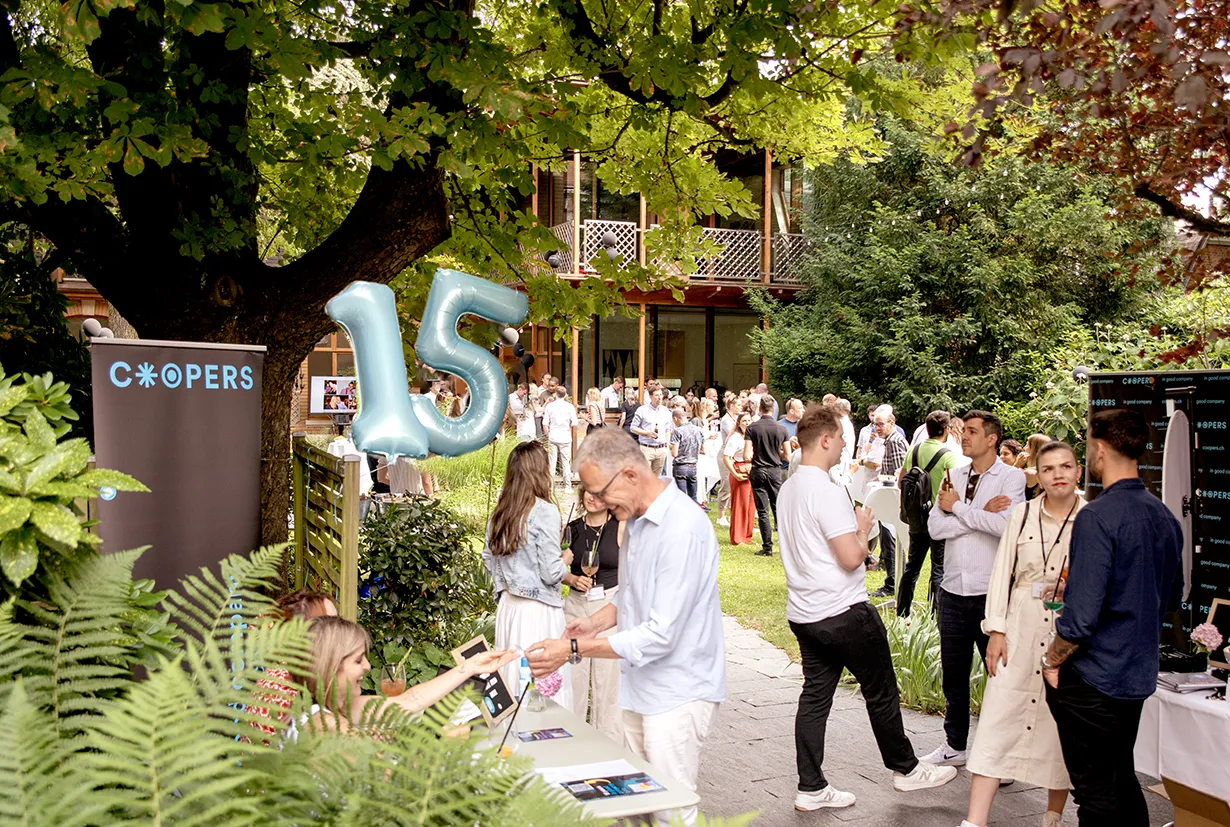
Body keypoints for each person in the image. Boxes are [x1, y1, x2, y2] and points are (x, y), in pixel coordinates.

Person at [525, 427, 725, 827]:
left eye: (600, 492)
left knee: (670, 809)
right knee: (634, 806)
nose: (595, 501)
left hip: (678, 690)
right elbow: (632, 595)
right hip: (641, 686)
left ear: (632, 474)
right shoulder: (634, 520)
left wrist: (575, 651)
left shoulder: (681, 529)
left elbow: (660, 634)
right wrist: (593, 623)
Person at [780, 404, 958, 811]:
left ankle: (811, 786)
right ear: (824, 440)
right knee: (881, 690)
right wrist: (862, 529)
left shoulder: (791, 487)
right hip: (843, 611)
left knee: (815, 697)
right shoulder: (823, 490)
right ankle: (908, 770)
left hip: (805, 612)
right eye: (841, 437)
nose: (846, 444)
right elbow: (849, 557)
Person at [1042, 409, 1182, 827]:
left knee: (1096, 794)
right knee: (1121, 779)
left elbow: (1081, 619)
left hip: (1094, 677)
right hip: (1135, 674)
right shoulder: (1164, 516)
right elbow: (1172, 595)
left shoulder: (1097, 516)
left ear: (1099, 449)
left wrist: (1052, 658)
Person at [960, 440, 1083, 827]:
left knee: (1059, 726)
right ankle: (974, 820)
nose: (1058, 475)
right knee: (999, 717)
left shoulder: (1091, 517)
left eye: (1065, 467)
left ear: (1078, 470)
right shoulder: (1022, 514)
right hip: (1020, 625)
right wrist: (996, 629)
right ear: (1038, 475)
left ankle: (1052, 816)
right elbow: (1002, 573)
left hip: (1068, 630)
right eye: (1049, 469)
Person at [920, 411, 1026, 768]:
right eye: (962, 430)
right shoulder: (954, 474)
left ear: (992, 438)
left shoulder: (1011, 479)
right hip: (952, 590)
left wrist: (960, 510)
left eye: (971, 431)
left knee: (1000, 678)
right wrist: (977, 512)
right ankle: (954, 745)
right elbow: (935, 526)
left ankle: (1004, 757)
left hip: (989, 595)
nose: (963, 436)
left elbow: (1005, 528)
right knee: (954, 675)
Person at [301, 616, 518, 732]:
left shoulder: (339, 705)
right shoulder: (323, 727)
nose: (367, 666)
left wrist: (470, 667)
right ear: (330, 668)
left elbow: (410, 700)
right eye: (358, 660)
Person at [482, 442, 575, 712]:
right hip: (539, 610)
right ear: (541, 471)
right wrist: (564, 560)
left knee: (512, 682)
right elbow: (550, 572)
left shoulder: (501, 511)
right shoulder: (544, 511)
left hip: (509, 608)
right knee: (543, 685)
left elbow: (489, 558)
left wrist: (508, 581)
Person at [562, 490, 624, 741]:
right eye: (589, 490)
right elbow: (553, 568)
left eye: (600, 493)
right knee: (573, 677)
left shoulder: (620, 527)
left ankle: (608, 742)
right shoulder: (571, 528)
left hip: (608, 602)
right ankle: (572, 740)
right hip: (576, 605)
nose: (593, 497)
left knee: (607, 680)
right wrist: (572, 578)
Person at [897, 410, 961, 617]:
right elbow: (955, 487)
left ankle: (902, 612)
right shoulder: (948, 455)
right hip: (939, 517)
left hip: (916, 516)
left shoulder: (913, 450)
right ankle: (934, 615)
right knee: (938, 569)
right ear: (946, 430)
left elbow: (902, 481)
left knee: (912, 567)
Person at [861, 404, 909, 597]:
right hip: (886, 497)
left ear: (892, 422)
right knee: (887, 541)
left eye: (880, 424)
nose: (876, 429)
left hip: (893, 500)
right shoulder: (886, 440)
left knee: (892, 542)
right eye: (874, 425)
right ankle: (892, 581)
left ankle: (894, 583)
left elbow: (900, 472)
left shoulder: (896, 441)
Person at [746, 395, 790, 557]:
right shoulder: (781, 428)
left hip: (758, 469)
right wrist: (775, 452)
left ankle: (767, 547)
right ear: (773, 409)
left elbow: (746, 453)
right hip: (774, 470)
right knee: (778, 507)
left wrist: (758, 452)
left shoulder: (752, 428)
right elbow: (788, 456)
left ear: (759, 409)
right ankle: (785, 546)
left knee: (762, 510)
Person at [724, 412, 755, 546]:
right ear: (739, 423)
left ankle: (747, 536)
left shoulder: (752, 436)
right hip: (740, 469)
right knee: (740, 504)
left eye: (749, 420)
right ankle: (737, 537)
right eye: (744, 421)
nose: (747, 423)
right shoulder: (735, 438)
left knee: (750, 504)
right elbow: (726, 457)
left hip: (752, 470)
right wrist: (735, 473)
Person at [630, 386, 673, 476]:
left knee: (657, 479)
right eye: (656, 395)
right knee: (644, 477)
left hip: (661, 449)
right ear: (650, 397)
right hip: (646, 448)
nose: (659, 397)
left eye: (661, 395)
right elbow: (633, 428)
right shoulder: (642, 410)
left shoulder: (666, 412)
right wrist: (647, 433)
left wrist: (666, 446)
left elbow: (668, 430)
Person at [542, 386, 578, 490]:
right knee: (566, 462)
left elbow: (545, 423)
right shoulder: (570, 407)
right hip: (565, 436)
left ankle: (550, 487)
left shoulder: (550, 406)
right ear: (565, 395)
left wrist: (548, 435)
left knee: (552, 462)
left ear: (556, 394)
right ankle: (567, 486)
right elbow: (574, 423)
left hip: (553, 436)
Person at [670, 407, 704, 502]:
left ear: (675, 418)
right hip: (693, 466)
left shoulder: (677, 431)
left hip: (680, 466)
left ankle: (681, 516)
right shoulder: (699, 430)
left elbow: (674, 453)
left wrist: (671, 447)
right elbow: (703, 450)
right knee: (693, 497)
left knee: (681, 497)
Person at [716, 398, 740, 527]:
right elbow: (733, 434)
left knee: (732, 484)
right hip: (725, 454)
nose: (740, 407)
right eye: (738, 405)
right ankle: (721, 515)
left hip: (734, 454)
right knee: (726, 484)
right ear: (731, 406)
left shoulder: (734, 419)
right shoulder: (726, 420)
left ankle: (732, 514)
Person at [1022, 433, 1052, 499]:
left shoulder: (1029, 473)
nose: (1024, 448)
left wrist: (1016, 465)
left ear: (1034, 449)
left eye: (1027, 445)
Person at [778, 398, 804, 474]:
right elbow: (774, 448)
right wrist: (787, 442)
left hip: (800, 468)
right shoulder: (779, 426)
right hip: (784, 469)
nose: (803, 410)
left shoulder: (803, 425)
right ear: (792, 411)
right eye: (800, 408)